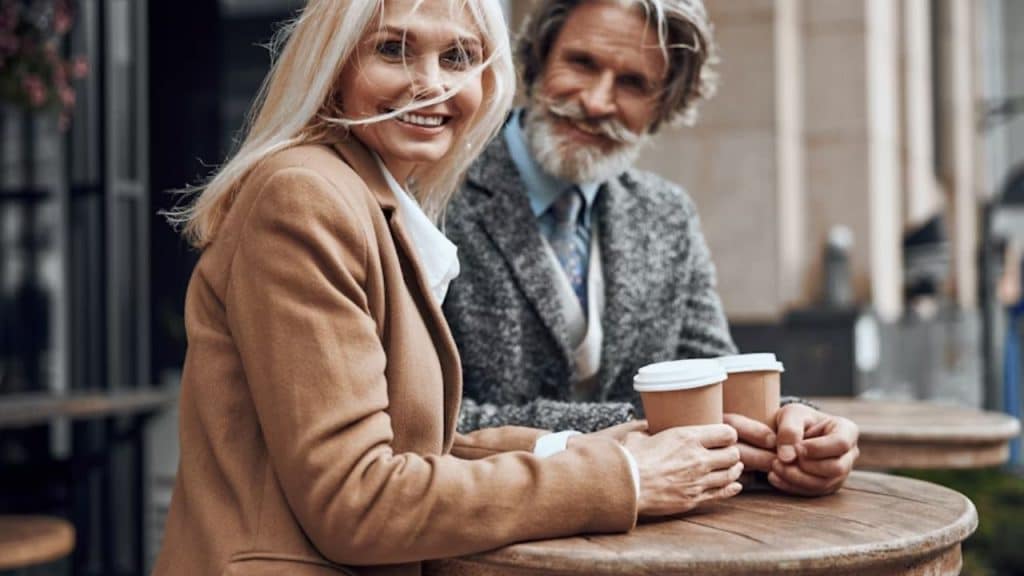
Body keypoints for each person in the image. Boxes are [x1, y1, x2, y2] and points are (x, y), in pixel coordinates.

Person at [153, 1, 746, 574]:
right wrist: (623, 477)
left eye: (459, 57)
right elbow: (357, 500)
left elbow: (419, 445)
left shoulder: (370, 194)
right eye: (393, 49)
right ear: (334, 62)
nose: (430, 83)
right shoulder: (304, 197)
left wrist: (578, 448)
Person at [444, 0, 859, 497]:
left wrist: (800, 428)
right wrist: (629, 430)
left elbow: (714, 379)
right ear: (537, 58)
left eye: (633, 84)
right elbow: (424, 418)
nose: (597, 102)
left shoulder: (666, 215)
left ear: (665, 106)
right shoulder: (437, 184)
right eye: (582, 63)